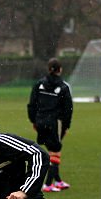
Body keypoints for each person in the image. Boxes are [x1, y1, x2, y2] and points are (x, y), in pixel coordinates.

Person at [27, 58, 74, 191]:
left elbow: (31, 104)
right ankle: (48, 184)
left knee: (51, 150)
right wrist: (66, 126)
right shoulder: (64, 87)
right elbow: (68, 109)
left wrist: (33, 120)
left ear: (49, 69)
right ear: (60, 70)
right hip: (55, 123)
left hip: (40, 121)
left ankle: (58, 181)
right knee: (56, 152)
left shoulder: (39, 84)